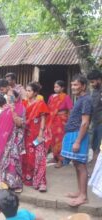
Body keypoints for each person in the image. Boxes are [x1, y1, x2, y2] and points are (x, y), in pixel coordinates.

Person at [61, 75, 92, 207]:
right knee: (76, 163)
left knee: (81, 165)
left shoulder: (86, 100)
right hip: (73, 133)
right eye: (72, 85)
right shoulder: (81, 99)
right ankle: (80, 191)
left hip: (78, 135)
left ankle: (83, 196)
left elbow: (85, 123)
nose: (73, 87)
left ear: (83, 86)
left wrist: (78, 141)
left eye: (76, 85)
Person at [22, 82, 49, 192]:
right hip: (26, 134)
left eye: (29, 91)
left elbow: (43, 119)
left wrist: (41, 134)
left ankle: (41, 182)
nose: (27, 92)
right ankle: (28, 179)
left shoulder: (40, 103)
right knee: (28, 157)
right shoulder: (23, 103)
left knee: (39, 158)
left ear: (35, 93)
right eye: (26, 90)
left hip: (37, 134)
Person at [0, 91, 25, 193]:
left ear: (16, 97)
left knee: (13, 161)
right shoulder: (5, 108)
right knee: (4, 161)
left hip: (14, 139)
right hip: (3, 139)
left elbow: (20, 124)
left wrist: (13, 112)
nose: (8, 96)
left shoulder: (21, 107)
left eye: (11, 95)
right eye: (8, 95)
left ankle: (16, 184)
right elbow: (0, 123)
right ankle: (5, 182)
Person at [46, 80, 73, 168]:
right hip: (52, 120)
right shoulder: (51, 97)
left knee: (60, 140)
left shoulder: (66, 97)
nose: (55, 88)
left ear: (62, 88)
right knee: (52, 139)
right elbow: (48, 108)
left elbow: (70, 109)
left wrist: (70, 121)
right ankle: (55, 157)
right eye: (54, 87)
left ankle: (61, 160)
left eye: (57, 87)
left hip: (61, 121)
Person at [87, 70, 102, 166]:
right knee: (94, 143)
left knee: (99, 145)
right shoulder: (95, 91)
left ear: (99, 80)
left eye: (92, 82)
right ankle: (95, 163)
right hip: (95, 121)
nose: (91, 84)